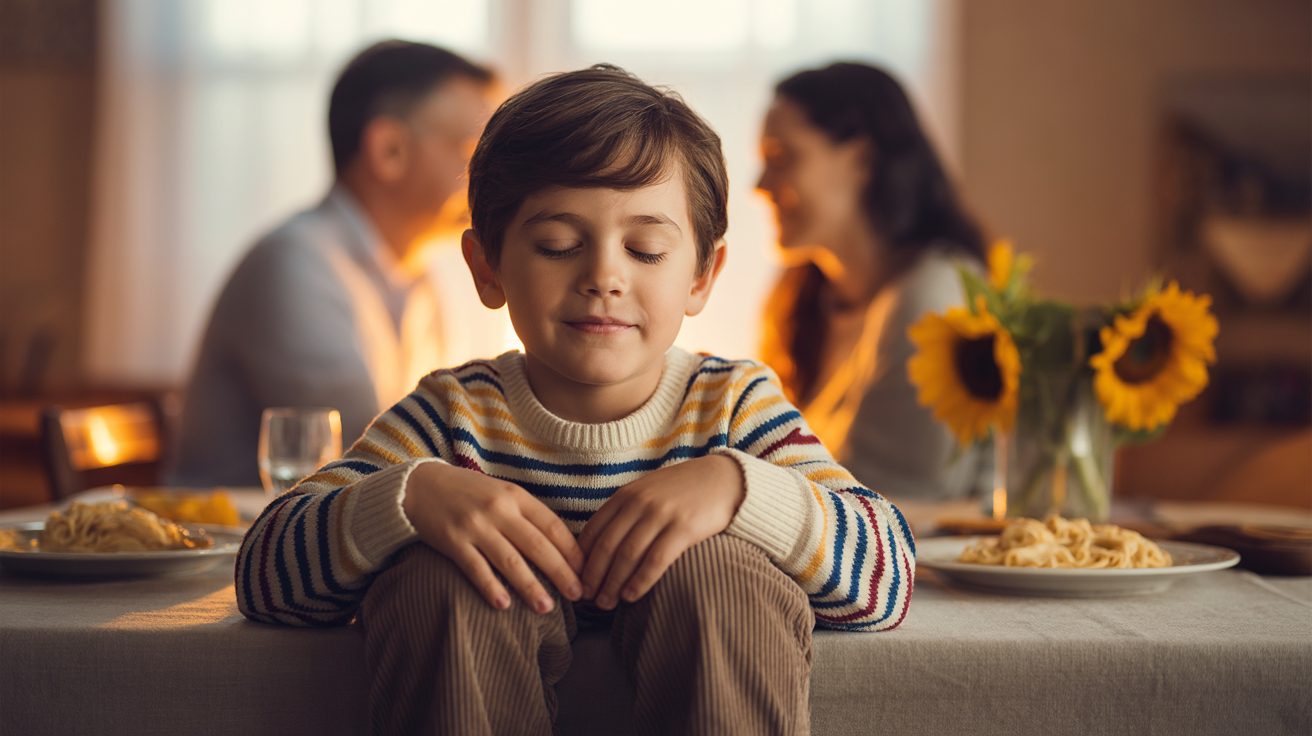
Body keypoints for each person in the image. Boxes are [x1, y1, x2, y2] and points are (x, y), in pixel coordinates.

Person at [235, 65, 915, 734]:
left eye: (646, 250)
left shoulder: (733, 407)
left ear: (702, 276)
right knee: (437, 581)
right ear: (487, 267)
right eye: (559, 245)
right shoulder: (454, 415)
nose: (603, 277)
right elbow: (265, 573)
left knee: (723, 574)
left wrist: (739, 489)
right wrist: (408, 499)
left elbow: (888, 577)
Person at [171, 41, 494, 487]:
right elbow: (375, 459)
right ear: (389, 150)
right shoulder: (295, 264)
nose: (487, 172)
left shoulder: (417, 276)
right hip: (236, 547)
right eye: (469, 149)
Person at [756, 61, 991, 501]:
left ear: (862, 159)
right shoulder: (807, 300)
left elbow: (898, 496)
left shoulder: (931, 300)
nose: (759, 185)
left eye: (782, 158)